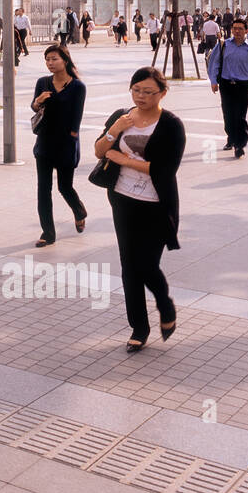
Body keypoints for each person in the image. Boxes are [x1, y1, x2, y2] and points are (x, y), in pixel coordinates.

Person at [94, 67, 186, 353]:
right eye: (137, 90)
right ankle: (139, 327)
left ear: (162, 93)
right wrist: (115, 130)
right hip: (122, 200)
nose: (142, 96)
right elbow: (99, 151)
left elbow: (164, 169)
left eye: (149, 92)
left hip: (157, 204)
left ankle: (165, 305)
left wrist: (122, 158)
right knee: (129, 267)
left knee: (146, 265)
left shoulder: (171, 124)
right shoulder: (121, 116)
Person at [30, 44, 87, 247]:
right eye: (47, 59)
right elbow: (34, 107)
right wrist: (38, 101)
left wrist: (71, 138)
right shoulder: (42, 82)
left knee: (65, 187)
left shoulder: (78, 86)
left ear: (65, 60)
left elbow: (76, 119)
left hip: (65, 144)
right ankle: (48, 232)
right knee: (43, 189)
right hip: (44, 143)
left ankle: (79, 211)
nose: (50, 63)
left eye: (54, 59)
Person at [209, 19, 248, 159]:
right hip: (226, 85)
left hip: (242, 86)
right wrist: (214, 81)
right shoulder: (223, 45)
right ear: (231, 30)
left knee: (240, 116)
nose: (237, 31)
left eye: (240, 28)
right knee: (228, 115)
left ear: (246, 30)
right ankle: (231, 138)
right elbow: (214, 63)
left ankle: (240, 145)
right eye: (234, 28)